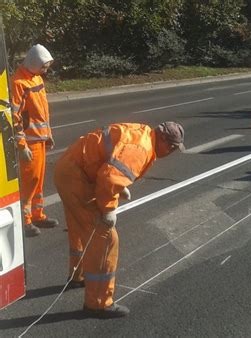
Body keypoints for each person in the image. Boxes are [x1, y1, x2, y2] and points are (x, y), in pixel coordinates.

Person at [54, 121, 185, 318]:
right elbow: (109, 178)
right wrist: (108, 209)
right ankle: (98, 303)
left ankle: (77, 276)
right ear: (165, 142)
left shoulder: (143, 134)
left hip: (70, 168)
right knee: (106, 238)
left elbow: (111, 161)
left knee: (80, 227)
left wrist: (119, 184)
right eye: (173, 148)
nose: (172, 153)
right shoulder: (141, 148)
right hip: (77, 177)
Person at [12, 44, 58, 237]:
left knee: (38, 181)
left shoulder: (35, 77)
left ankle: (38, 214)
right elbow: (14, 118)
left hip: (39, 140)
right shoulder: (18, 83)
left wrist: (48, 135)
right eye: (44, 66)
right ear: (33, 63)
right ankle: (25, 221)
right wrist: (21, 146)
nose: (45, 71)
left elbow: (42, 113)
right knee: (29, 182)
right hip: (29, 143)